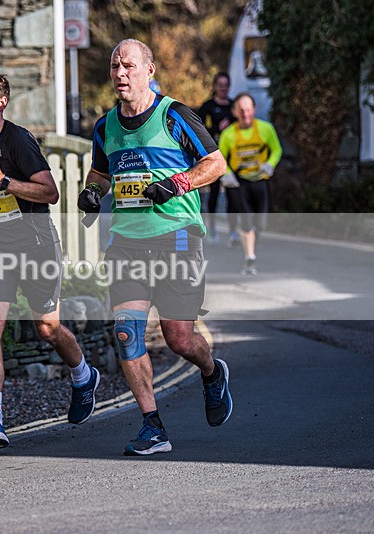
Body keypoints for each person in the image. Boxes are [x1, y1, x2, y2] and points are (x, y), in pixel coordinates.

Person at [77, 39, 232, 456]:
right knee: (127, 332)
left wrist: (178, 183)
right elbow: (100, 172)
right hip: (126, 242)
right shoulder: (105, 125)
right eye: (114, 67)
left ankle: (212, 371)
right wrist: (92, 193)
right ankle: (152, 426)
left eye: (128, 66)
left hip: (177, 237)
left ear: (149, 70)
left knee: (179, 339)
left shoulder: (175, 115)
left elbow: (216, 163)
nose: (120, 74)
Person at [0, 70, 100, 448]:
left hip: (36, 245)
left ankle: (84, 375)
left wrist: (4, 181)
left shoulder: (18, 140)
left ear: (0, 102)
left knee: (47, 328)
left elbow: (49, 193)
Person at [218, 93, 282, 275]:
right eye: (241, 110)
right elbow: (220, 157)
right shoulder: (228, 134)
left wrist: (271, 164)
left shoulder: (266, 129)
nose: (245, 114)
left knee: (261, 222)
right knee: (245, 218)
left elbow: (276, 149)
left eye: (248, 110)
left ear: (253, 110)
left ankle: (252, 242)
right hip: (240, 182)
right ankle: (249, 257)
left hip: (260, 179)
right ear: (235, 112)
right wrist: (228, 175)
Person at [196, 72, 236, 244]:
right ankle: (212, 228)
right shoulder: (208, 106)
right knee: (213, 194)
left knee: (233, 195)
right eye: (220, 85)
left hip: (232, 155)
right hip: (213, 155)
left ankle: (233, 230)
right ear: (215, 86)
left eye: (226, 85)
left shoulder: (234, 106)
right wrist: (217, 129)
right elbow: (200, 130)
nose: (223, 88)